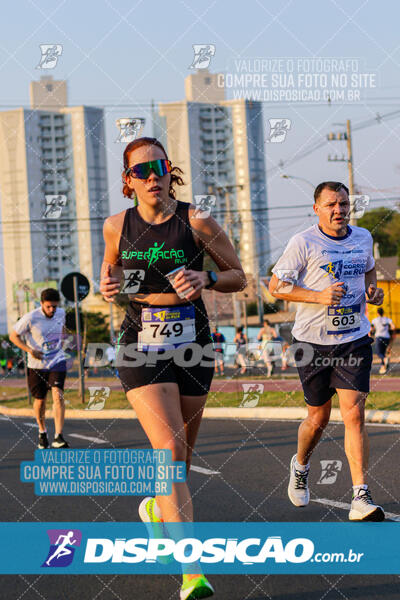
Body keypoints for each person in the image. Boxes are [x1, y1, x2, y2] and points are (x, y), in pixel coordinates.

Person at [100, 137, 245, 599]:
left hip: (194, 343)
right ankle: (192, 572)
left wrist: (207, 277)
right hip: (140, 340)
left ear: (169, 170)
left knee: (179, 458)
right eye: (140, 171)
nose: (152, 176)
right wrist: (109, 287)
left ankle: (157, 514)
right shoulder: (115, 226)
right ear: (128, 181)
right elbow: (111, 277)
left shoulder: (196, 220)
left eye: (158, 166)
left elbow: (240, 276)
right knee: (167, 448)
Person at [269, 181, 385, 522]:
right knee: (318, 419)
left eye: (344, 203)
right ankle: (301, 464)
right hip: (313, 342)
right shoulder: (303, 242)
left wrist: (372, 292)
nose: (339, 210)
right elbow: (276, 287)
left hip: (354, 337)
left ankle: (360, 496)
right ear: (317, 208)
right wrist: (317, 296)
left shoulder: (363, 237)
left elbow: (368, 271)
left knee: (353, 414)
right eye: (332, 204)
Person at [9, 288, 69, 449]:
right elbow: (13, 335)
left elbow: (63, 328)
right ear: (41, 304)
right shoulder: (30, 318)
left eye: (54, 307)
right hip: (36, 365)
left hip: (57, 360)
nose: (52, 310)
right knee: (40, 400)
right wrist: (30, 350)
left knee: (58, 394)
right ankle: (42, 432)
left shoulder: (61, 313)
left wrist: (62, 341)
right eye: (49, 306)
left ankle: (59, 436)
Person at [370, 307, 396, 374]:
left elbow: (371, 329)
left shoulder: (374, 320)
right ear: (383, 312)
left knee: (379, 353)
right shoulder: (388, 319)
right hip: (387, 337)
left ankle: (384, 360)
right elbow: (393, 327)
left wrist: (371, 334)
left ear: (377, 313)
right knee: (383, 352)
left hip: (379, 337)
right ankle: (383, 367)